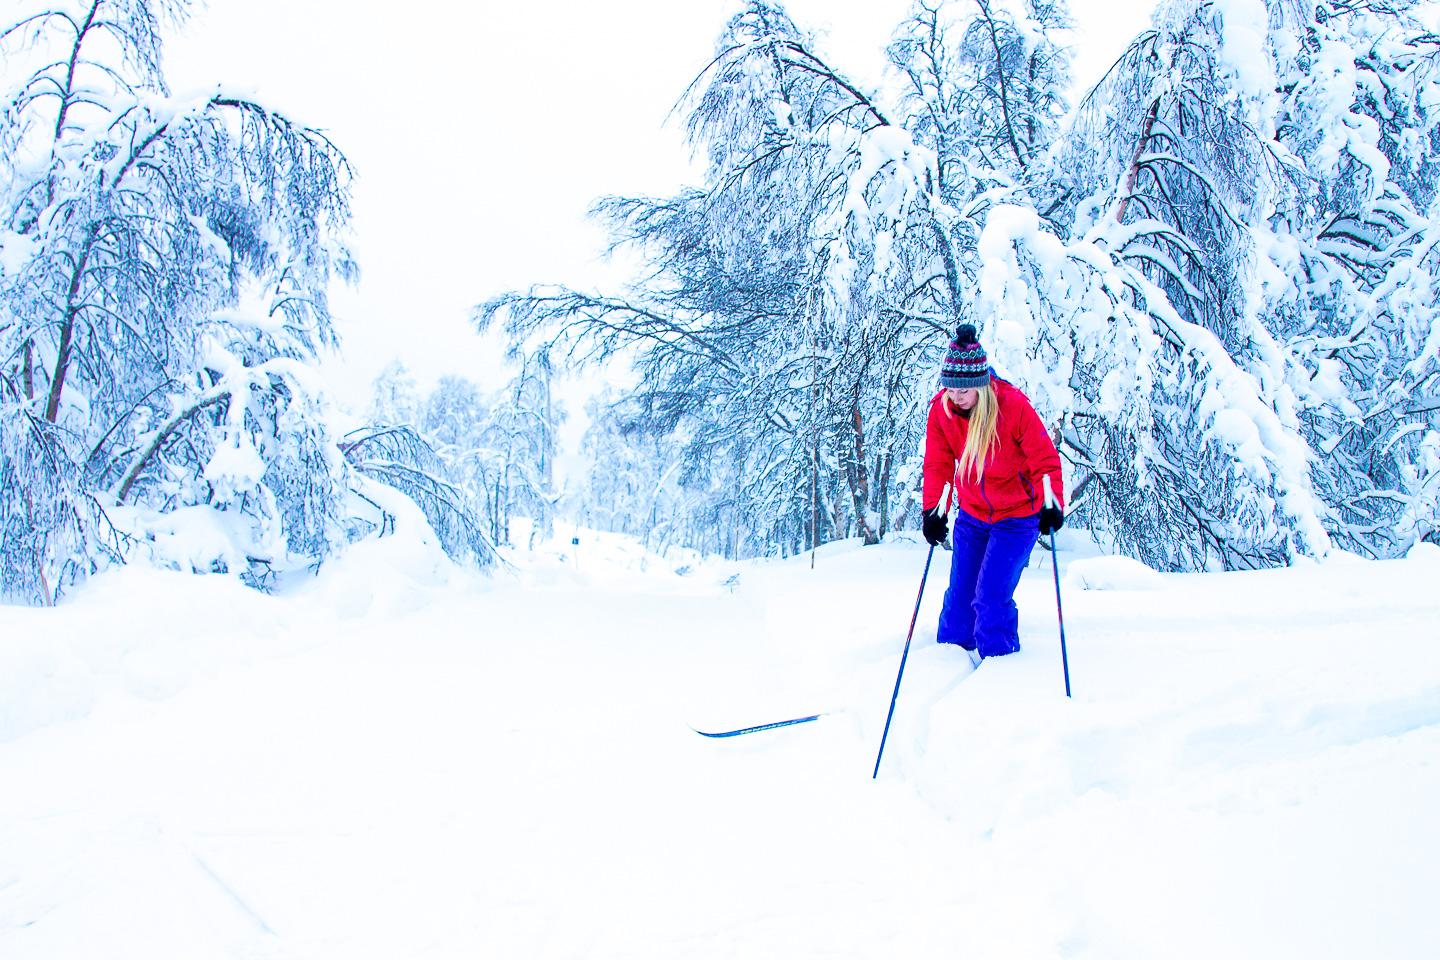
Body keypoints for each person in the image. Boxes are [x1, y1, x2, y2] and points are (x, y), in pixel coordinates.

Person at [920, 324, 1064, 661]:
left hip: (1017, 517)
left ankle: (1002, 671)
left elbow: (1044, 460)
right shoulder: (942, 411)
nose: (956, 397)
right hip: (973, 516)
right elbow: (938, 465)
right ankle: (946, 668)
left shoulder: (1012, 407)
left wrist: (1051, 502)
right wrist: (933, 510)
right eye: (951, 389)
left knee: (990, 597)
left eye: (963, 391)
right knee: (959, 605)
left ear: (980, 386)